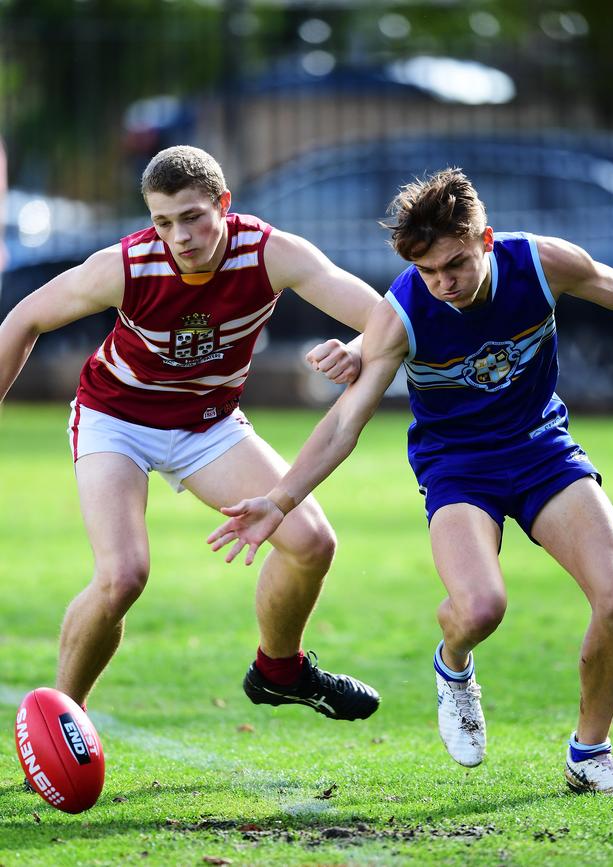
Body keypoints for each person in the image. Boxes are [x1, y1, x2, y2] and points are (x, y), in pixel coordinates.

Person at [208, 167, 613, 797]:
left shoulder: (544, 265)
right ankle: (454, 668)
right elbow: (343, 425)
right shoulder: (403, 314)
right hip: (458, 467)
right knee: (479, 609)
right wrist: (279, 501)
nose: (442, 284)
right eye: (427, 272)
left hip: (542, 451)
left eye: (454, 266)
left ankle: (591, 753)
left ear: (486, 240)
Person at [0, 145, 383, 723]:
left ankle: (279, 671)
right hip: (116, 420)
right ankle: (60, 725)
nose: (178, 236)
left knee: (312, 544)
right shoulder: (125, 266)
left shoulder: (270, 253)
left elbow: (382, 319)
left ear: (223, 205)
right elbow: (23, 318)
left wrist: (355, 349)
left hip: (207, 425)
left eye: (192, 217)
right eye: (162, 221)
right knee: (123, 575)